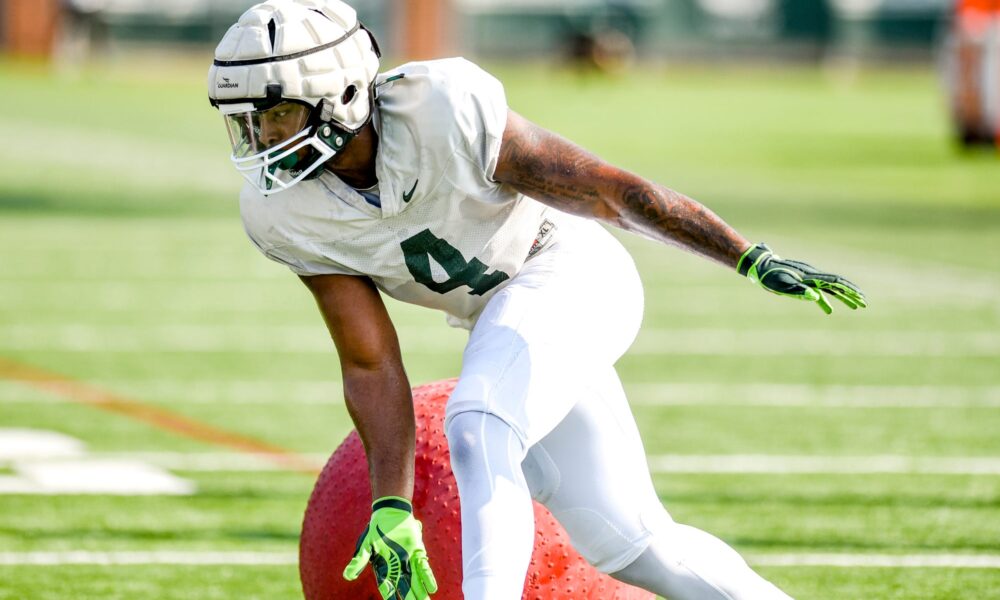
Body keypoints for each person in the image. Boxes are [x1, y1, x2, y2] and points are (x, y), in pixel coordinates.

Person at [208, 1, 867, 598]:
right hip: (499, 319)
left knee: (478, 423)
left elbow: (606, 189)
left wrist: (744, 254)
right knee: (630, 544)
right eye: (250, 121)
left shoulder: (439, 105)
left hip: (570, 270)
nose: (263, 138)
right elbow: (370, 363)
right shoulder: (283, 213)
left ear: (341, 93)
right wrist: (390, 504)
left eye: (277, 114)